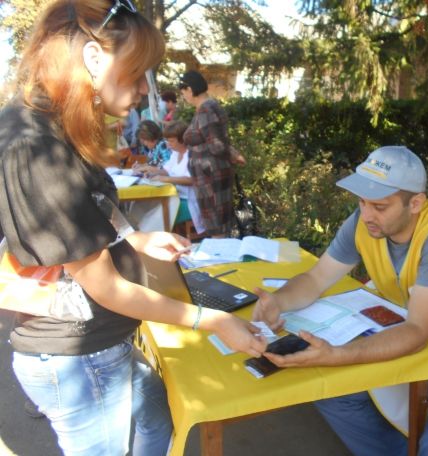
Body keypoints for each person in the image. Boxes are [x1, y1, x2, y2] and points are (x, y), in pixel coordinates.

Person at [0, 1, 266, 455]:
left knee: (158, 421)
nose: (144, 89)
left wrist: (137, 239)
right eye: (137, 72)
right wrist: (212, 321)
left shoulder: (55, 125)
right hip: (78, 355)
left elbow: (80, 226)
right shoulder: (36, 146)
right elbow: (104, 287)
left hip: (102, 343)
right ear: (94, 58)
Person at [252, 146, 428, 455]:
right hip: (411, 352)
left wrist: (338, 355)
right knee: (331, 392)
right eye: (362, 202)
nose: (366, 215)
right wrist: (278, 302)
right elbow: (316, 278)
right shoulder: (364, 223)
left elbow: (417, 330)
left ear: (415, 203)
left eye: (379, 205)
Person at [179, 70, 234, 238]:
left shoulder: (206, 109)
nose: (183, 97)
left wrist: (231, 154)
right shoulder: (208, 107)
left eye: (183, 92)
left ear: (189, 89)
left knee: (217, 228)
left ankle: (221, 254)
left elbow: (216, 145)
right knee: (218, 226)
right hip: (211, 174)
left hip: (210, 176)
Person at [136, 121, 205, 236]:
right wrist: (150, 171)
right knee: (142, 205)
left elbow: (192, 180)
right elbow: (166, 170)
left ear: (182, 140)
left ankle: (154, 237)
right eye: (167, 140)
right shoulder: (175, 153)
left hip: (189, 201)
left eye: (171, 141)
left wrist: (166, 179)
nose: (168, 144)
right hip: (175, 195)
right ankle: (145, 233)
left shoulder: (192, 155)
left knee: (156, 214)